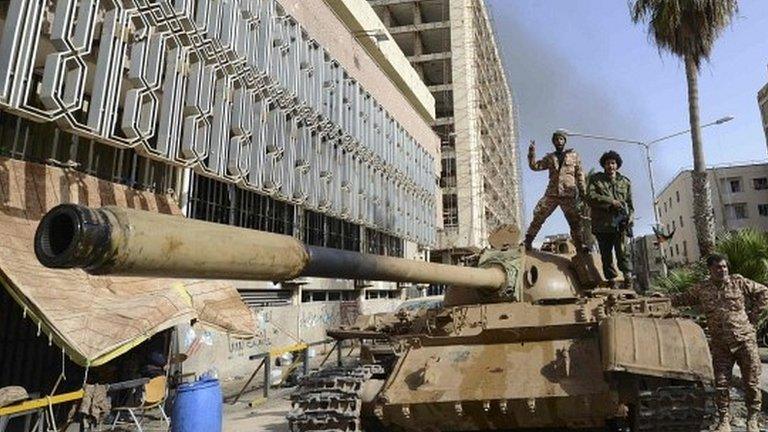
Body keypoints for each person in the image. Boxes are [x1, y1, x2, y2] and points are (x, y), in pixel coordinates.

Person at [669, 254, 768, 432]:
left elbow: (763, 292)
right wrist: (664, 299)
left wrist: (753, 317)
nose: (722, 270)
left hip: (745, 341)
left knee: (751, 383)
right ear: (710, 270)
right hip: (721, 345)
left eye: (724, 267)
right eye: (717, 267)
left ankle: (752, 419)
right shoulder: (702, 288)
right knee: (721, 384)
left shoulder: (738, 282)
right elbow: (682, 299)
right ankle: (724, 420)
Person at [525, 131, 587, 251]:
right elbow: (534, 166)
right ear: (553, 142)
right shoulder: (550, 157)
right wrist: (531, 152)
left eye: (561, 139)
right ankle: (528, 241)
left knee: (575, 221)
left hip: (568, 194)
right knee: (539, 216)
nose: (559, 141)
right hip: (552, 194)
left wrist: (583, 193)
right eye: (557, 139)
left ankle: (580, 246)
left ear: (565, 141)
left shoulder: (574, 156)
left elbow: (580, 175)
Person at [586, 151, 634, 289]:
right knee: (606, 255)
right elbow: (590, 196)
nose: (610, 166)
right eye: (607, 163)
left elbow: (630, 204)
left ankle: (628, 280)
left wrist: (630, 219)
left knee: (623, 253)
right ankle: (612, 282)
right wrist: (610, 201)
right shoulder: (596, 179)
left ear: (617, 165)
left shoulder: (625, 182)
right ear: (604, 165)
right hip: (602, 225)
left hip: (620, 225)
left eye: (613, 163)